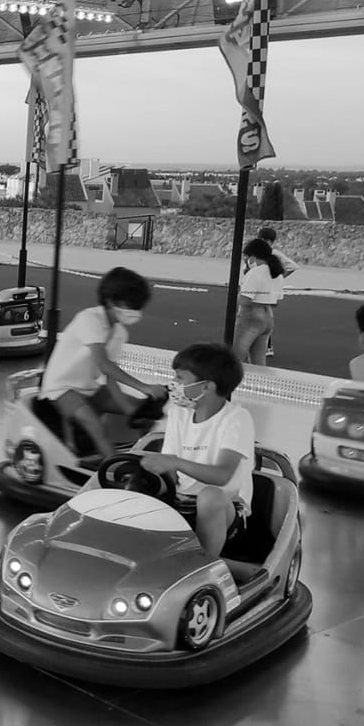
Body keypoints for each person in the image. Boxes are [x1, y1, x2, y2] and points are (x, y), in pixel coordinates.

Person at [140, 343, 256, 559]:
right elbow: (169, 469)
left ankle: (203, 566)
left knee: (209, 496)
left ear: (206, 387)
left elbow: (222, 476)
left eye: (180, 378)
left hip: (226, 511)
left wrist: (175, 462)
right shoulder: (179, 413)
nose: (173, 384)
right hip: (182, 502)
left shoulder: (236, 419)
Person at [38, 267, 169, 458]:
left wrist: (131, 410)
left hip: (89, 389)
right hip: (60, 389)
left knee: (145, 415)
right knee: (96, 426)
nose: (135, 311)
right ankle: (112, 473)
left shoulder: (119, 333)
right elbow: (104, 364)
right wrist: (145, 387)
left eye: (137, 306)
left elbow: (109, 377)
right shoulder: (89, 319)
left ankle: (149, 463)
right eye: (130, 304)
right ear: (110, 301)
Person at [231, 238, 284, 367]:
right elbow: (276, 302)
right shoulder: (277, 273)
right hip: (268, 317)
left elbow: (244, 299)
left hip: (250, 316)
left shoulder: (255, 273)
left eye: (246, 257)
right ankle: (260, 386)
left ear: (253, 257)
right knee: (258, 363)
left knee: (235, 359)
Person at [257, 228, 297, 360]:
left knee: (263, 316)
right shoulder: (259, 254)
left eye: (261, 239)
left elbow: (292, 266)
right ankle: (264, 346)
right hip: (260, 288)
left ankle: (267, 346)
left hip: (265, 291)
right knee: (262, 315)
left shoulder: (274, 254)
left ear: (268, 241)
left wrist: (277, 278)